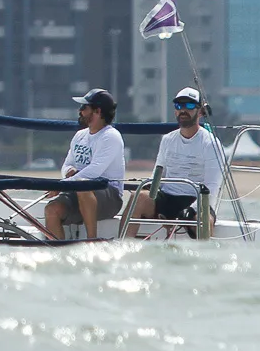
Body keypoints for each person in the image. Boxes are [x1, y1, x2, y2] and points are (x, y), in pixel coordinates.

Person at [131, 87, 227, 233]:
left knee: (203, 219)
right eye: (179, 106)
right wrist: (146, 188)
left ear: (200, 112)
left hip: (196, 199)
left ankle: (204, 254)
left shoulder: (211, 144)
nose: (183, 110)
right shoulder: (167, 139)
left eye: (189, 106)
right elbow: (157, 175)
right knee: (137, 197)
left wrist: (192, 209)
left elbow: (212, 188)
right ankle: (123, 244)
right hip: (167, 197)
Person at [44, 88, 126, 241]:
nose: (80, 111)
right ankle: (61, 252)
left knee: (84, 186)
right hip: (77, 190)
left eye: (84, 108)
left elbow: (94, 172)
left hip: (109, 196)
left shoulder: (111, 137)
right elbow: (67, 165)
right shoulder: (80, 135)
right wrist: (70, 171)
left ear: (97, 111)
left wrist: (62, 185)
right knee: (51, 209)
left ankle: (91, 241)